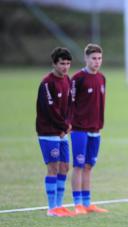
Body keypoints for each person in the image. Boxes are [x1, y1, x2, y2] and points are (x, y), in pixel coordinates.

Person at [35, 47, 75, 217]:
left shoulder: (67, 80)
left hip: (61, 131)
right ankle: (52, 208)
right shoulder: (47, 83)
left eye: (67, 63)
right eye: (61, 63)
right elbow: (49, 109)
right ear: (54, 64)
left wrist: (68, 124)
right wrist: (63, 127)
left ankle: (59, 205)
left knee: (65, 167)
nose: (65, 67)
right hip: (48, 131)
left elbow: (70, 106)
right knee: (53, 167)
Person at [70, 43, 108, 214]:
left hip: (95, 129)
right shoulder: (78, 78)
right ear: (86, 58)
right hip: (79, 129)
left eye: (99, 58)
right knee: (78, 165)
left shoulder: (102, 78)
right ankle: (77, 203)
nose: (97, 62)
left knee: (88, 166)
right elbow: (68, 104)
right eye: (93, 58)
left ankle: (87, 203)